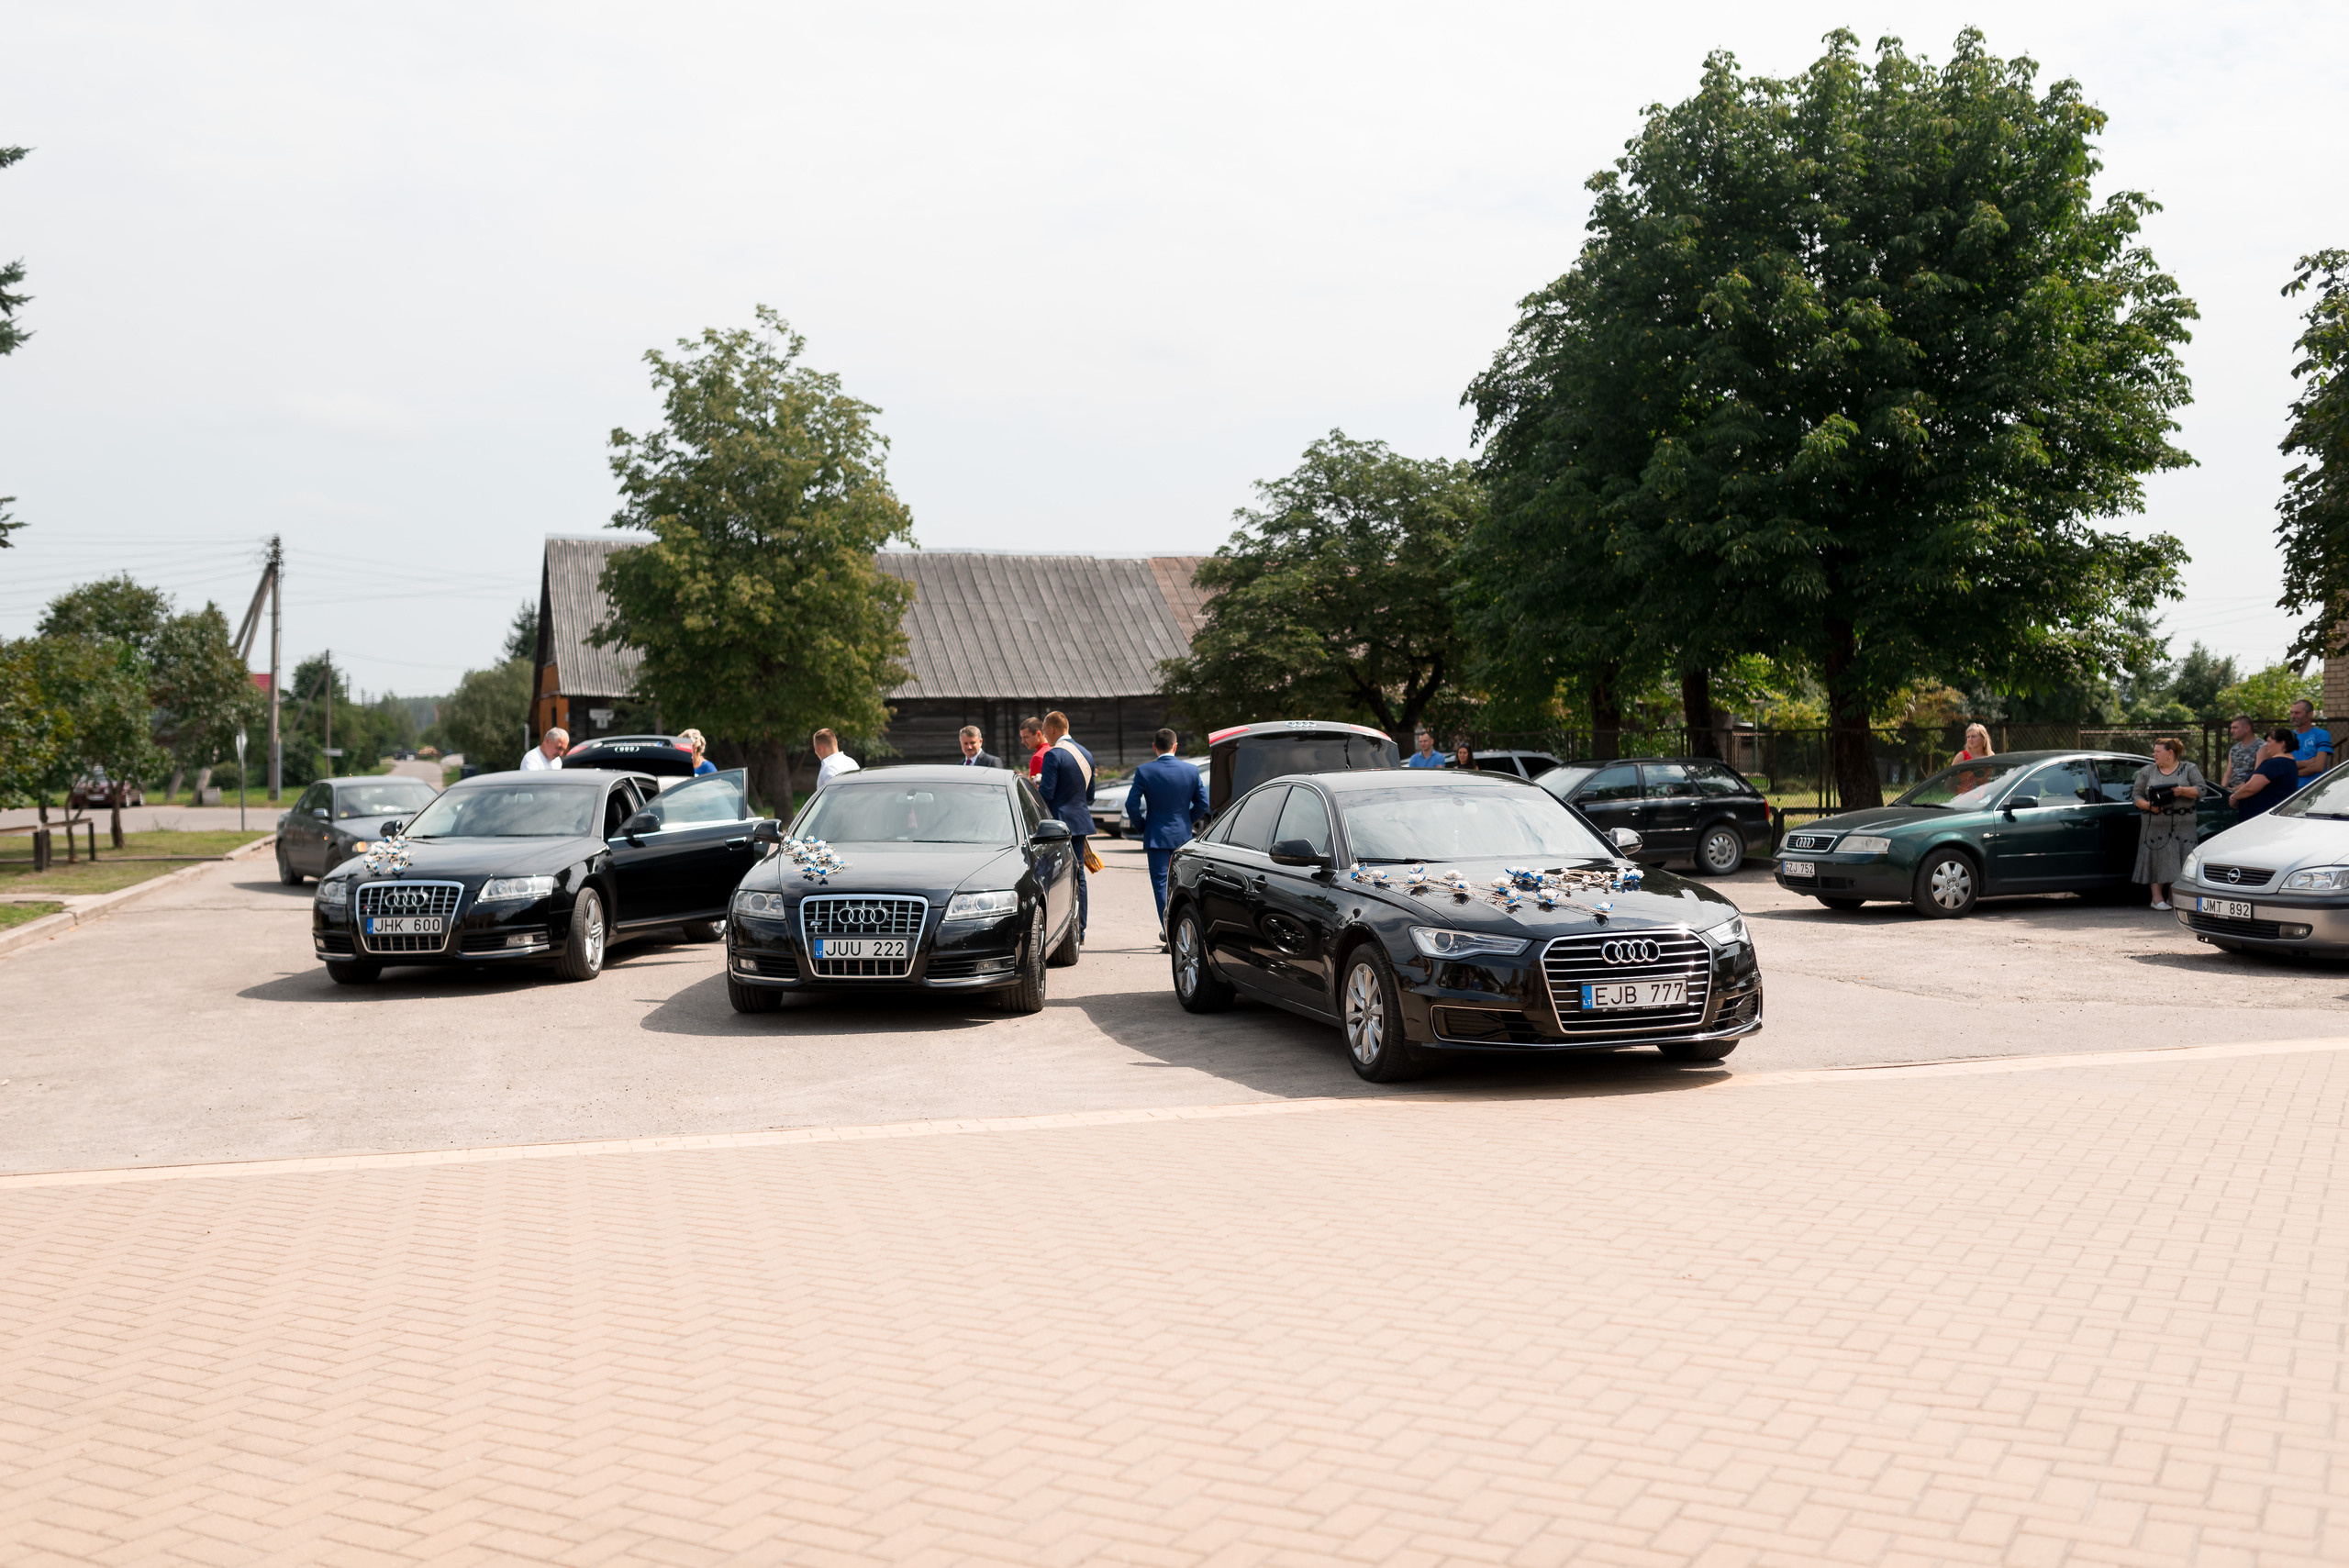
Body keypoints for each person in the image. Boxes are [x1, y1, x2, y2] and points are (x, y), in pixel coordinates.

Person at [1130, 728, 1211, 945]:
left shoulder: (1144, 771)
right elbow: (1203, 804)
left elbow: (1131, 805)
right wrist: (1187, 820)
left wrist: (1142, 827)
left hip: (1156, 835)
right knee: (1182, 883)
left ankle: (1168, 931)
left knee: (1160, 884)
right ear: (1176, 746)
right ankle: (1180, 931)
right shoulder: (1191, 771)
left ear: (1154, 747)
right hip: (1182, 835)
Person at [1035, 711, 1097, 942]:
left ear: (1051, 729)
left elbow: (1047, 794)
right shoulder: (1086, 754)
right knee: (1079, 875)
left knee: (1056, 877)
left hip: (1059, 824)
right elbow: (1090, 795)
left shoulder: (1054, 755)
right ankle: (1080, 929)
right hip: (1081, 821)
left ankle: (1060, 929)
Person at [2132, 738, 2205, 911]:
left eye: (2157, 751)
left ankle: (2174, 897)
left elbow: (2201, 789)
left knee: (2180, 859)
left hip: (2184, 823)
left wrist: (2181, 791)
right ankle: (2157, 898)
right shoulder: (2147, 771)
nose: (2153, 754)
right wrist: (2148, 806)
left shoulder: (2189, 769)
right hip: (2155, 823)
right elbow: (2136, 795)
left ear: (2170, 753)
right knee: (2157, 859)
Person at [2230, 728, 2301, 824]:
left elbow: (2251, 787)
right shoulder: (2289, 763)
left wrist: (2235, 796)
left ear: (2282, 743)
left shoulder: (2274, 764)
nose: (2266, 746)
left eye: (2269, 742)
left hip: (2260, 818)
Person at [2288, 699, 2333, 790]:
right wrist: (2307, 763)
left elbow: (2318, 766)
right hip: (2290, 790)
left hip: (2313, 790)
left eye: (2297, 713)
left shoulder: (2321, 735)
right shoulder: (2287, 736)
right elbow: (2283, 765)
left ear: (2310, 714)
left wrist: (2292, 772)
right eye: (2291, 712)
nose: (2293, 716)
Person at [811, 728, 861, 792]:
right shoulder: (852, 762)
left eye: (815, 748)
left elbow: (833, 797)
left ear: (821, 749)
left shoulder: (829, 768)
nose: (815, 752)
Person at [2221, 714, 2259, 789]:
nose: (2232, 731)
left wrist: (2234, 791)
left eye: (2235, 728)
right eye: (2231, 728)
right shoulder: (2234, 749)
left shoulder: (2261, 747)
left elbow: (2257, 777)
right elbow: (2228, 774)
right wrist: (2223, 790)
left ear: (2247, 728)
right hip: (2232, 791)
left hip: (2249, 792)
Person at [1020, 717, 1048, 781]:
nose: (1023, 742)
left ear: (1038, 734)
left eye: (1026, 737)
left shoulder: (1038, 758)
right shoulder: (1056, 748)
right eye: (1022, 737)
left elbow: (1035, 789)